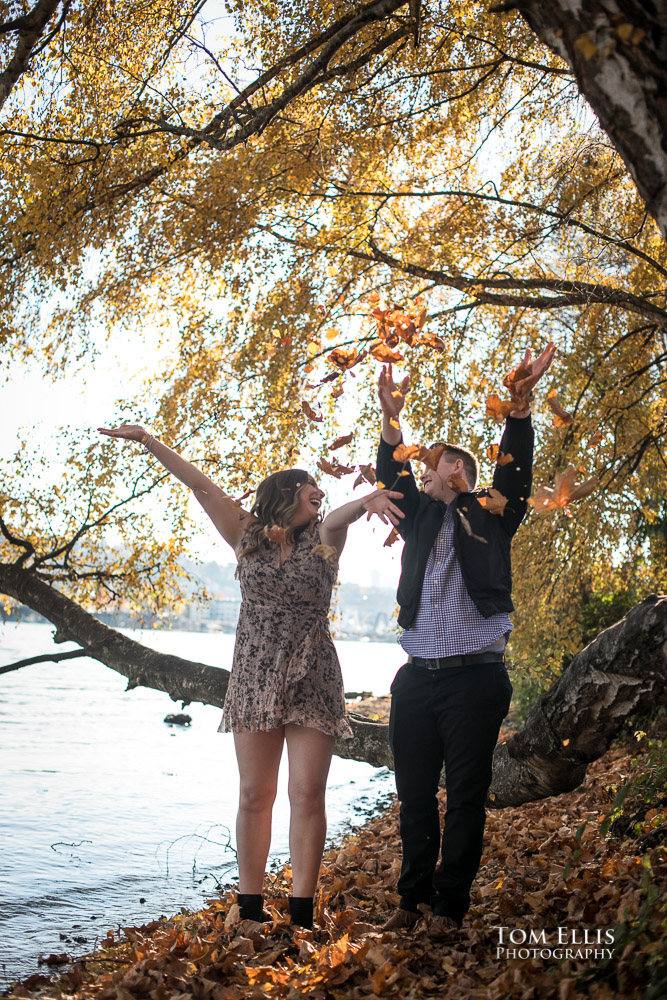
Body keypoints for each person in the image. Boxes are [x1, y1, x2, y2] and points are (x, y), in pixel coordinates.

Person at [98, 423, 403, 930]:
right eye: (310, 487)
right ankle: (250, 910)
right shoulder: (245, 535)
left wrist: (368, 500)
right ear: (286, 491)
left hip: (312, 674)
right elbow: (200, 486)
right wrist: (150, 440)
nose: (319, 495)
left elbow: (343, 517)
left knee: (307, 794)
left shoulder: (324, 538)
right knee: (254, 795)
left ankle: (302, 914)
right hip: (255, 675)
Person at [375, 344, 557, 935]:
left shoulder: (493, 514)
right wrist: (390, 417)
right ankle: (411, 900)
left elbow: (515, 473)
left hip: (476, 677)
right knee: (415, 797)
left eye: (436, 464)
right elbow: (391, 474)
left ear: (460, 474)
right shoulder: (419, 518)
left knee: (466, 799)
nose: (424, 469)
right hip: (417, 680)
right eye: (424, 465)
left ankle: (449, 906)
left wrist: (520, 404)